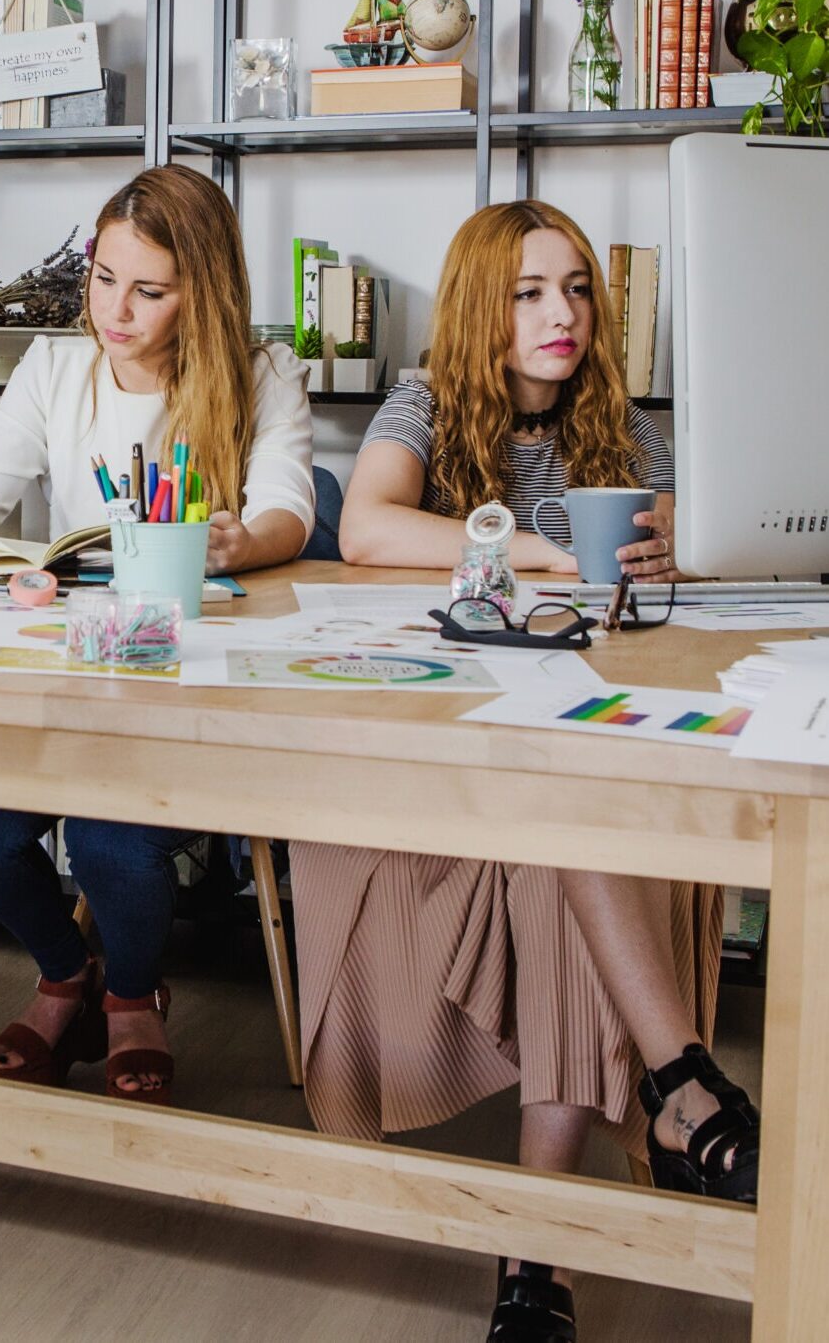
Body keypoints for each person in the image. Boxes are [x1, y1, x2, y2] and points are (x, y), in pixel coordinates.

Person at [323, 199, 757, 1343]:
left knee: (573, 835)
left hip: (572, 760)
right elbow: (365, 528)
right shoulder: (421, 402)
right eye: (529, 293)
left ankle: (536, 1264)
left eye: (575, 290)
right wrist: (538, 546)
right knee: (574, 831)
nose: (560, 314)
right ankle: (682, 1089)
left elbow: (683, 563)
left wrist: (673, 547)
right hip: (445, 771)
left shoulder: (625, 423)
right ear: (482, 307)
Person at [0, 164, 313, 1107]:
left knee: (115, 841)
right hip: (78, 667)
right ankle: (68, 973)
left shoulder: (262, 373)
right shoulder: (56, 364)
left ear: (205, 291)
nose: (116, 309)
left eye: (148, 291)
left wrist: (238, 537)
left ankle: (128, 997)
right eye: (102, 278)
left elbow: (290, 510)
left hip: (191, 675)